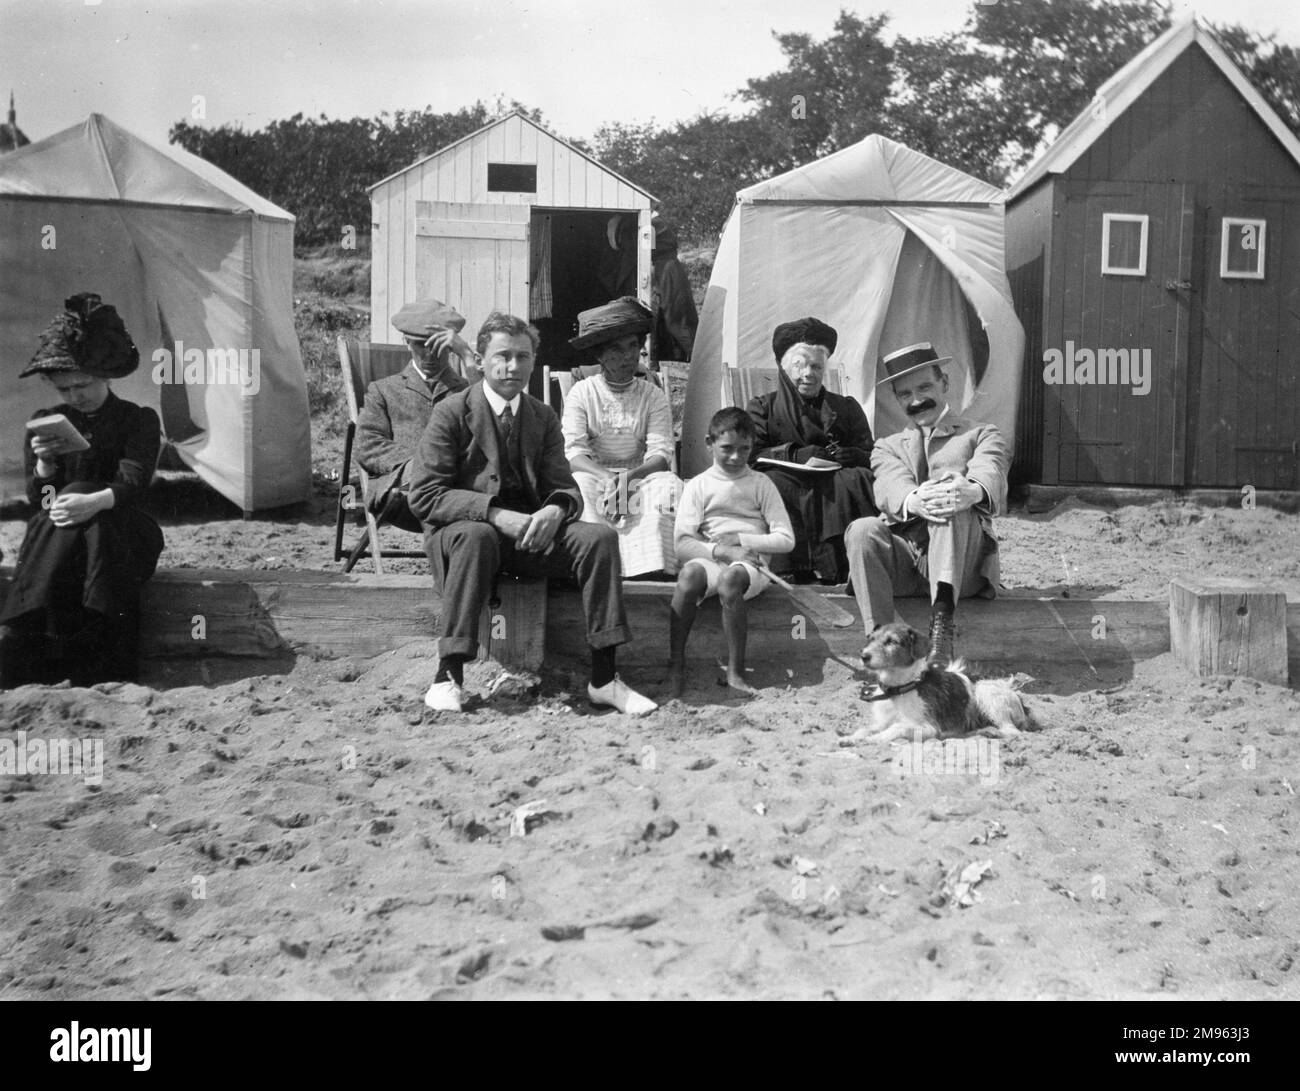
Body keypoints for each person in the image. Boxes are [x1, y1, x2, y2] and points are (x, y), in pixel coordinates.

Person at [406, 311, 657, 716]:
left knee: (599, 539)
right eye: (502, 356)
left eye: (523, 357)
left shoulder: (541, 416)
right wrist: (494, 513)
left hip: (529, 539)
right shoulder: (452, 413)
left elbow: (565, 485)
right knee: (477, 535)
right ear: (480, 360)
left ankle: (604, 678)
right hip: (466, 540)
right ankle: (448, 674)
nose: (512, 367)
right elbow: (426, 495)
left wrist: (556, 510)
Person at [0, 292, 164, 688]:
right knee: (58, 505)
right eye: (66, 389)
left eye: (84, 384)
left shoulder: (136, 420)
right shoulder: (48, 423)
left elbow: (133, 483)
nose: (77, 396)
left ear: (105, 376)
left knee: (84, 494)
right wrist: (44, 463)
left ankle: (25, 629)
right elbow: (40, 499)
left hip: (122, 532)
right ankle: (54, 645)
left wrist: (92, 501)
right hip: (64, 535)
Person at [844, 343, 1011, 668]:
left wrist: (972, 491)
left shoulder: (981, 434)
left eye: (925, 387)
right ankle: (879, 642)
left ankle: (941, 631)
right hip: (907, 562)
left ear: (945, 383)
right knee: (862, 529)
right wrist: (915, 500)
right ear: (897, 398)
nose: (917, 400)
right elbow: (890, 488)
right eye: (905, 394)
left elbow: (990, 470)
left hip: (964, 567)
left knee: (949, 498)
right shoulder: (887, 446)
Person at [669, 407, 794, 698]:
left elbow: (786, 539)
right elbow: (682, 544)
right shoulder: (699, 485)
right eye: (727, 448)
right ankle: (675, 665)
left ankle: (735, 671)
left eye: (745, 449)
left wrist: (742, 541)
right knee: (689, 574)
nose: (736, 457)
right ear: (709, 443)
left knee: (729, 581)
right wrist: (723, 550)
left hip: (752, 566)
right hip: (714, 558)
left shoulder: (761, 484)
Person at [747, 317, 876, 583]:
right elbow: (752, 454)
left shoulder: (846, 407)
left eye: (816, 366)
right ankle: (794, 569)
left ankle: (844, 567)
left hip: (835, 480)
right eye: (799, 365)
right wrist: (793, 454)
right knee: (772, 481)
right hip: (787, 479)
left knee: (857, 478)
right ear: (783, 368)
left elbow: (872, 453)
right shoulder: (763, 408)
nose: (808, 373)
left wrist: (856, 455)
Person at [563, 297, 683, 577]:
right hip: (596, 478)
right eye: (616, 350)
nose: (628, 357)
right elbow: (574, 454)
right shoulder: (582, 393)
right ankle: (599, 568)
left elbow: (661, 454)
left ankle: (653, 570)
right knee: (578, 486)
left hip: (640, 477)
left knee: (669, 487)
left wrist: (630, 478)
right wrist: (607, 479)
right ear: (599, 355)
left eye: (633, 347)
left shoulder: (652, 395)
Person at [355, 298, 471, 532]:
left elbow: (494, 430)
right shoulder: (384, 390)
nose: (430, 353)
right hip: (402, 495)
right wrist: (422, 464)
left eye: (438, 344)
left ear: (451, 345)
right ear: (407, 342)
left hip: (458, 491)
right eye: (420, 344)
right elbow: (368, 446)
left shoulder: (469, 391)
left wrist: (467, 354)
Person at [650, 219, 697, 362]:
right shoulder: (657, 223)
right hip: (664, 269)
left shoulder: (655, 223)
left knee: (677, 320)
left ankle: (698, 359)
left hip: (666, 270)